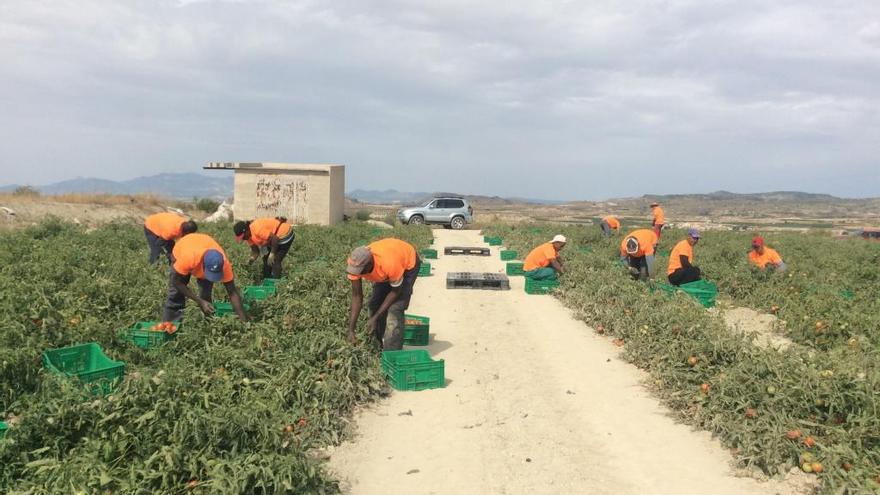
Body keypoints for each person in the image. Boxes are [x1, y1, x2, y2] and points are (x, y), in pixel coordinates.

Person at [346, 238, 421, 350]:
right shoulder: (355, 264)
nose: (357, 274)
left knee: (395, 309)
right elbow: (357, 296)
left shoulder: (389, 263)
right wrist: (351, 330)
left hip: (408, 264)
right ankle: (377, 347)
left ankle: (392, 353)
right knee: (374, 305)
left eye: (360, 271)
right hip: (386, 269)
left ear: (370, 263)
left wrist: (375, 317)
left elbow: (396, 291)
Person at [164, 232, 248, 322]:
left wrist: (244, 320)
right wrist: (199, 301)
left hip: (201, 248)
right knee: (176, 293)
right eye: (209, 273)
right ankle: (170, 324)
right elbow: (176, 282)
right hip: (183, 251)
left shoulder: (223, 264)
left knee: (206, 294)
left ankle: (208, 322)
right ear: (202, 264)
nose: (211, 277)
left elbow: (232, 292)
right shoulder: (189, 257)